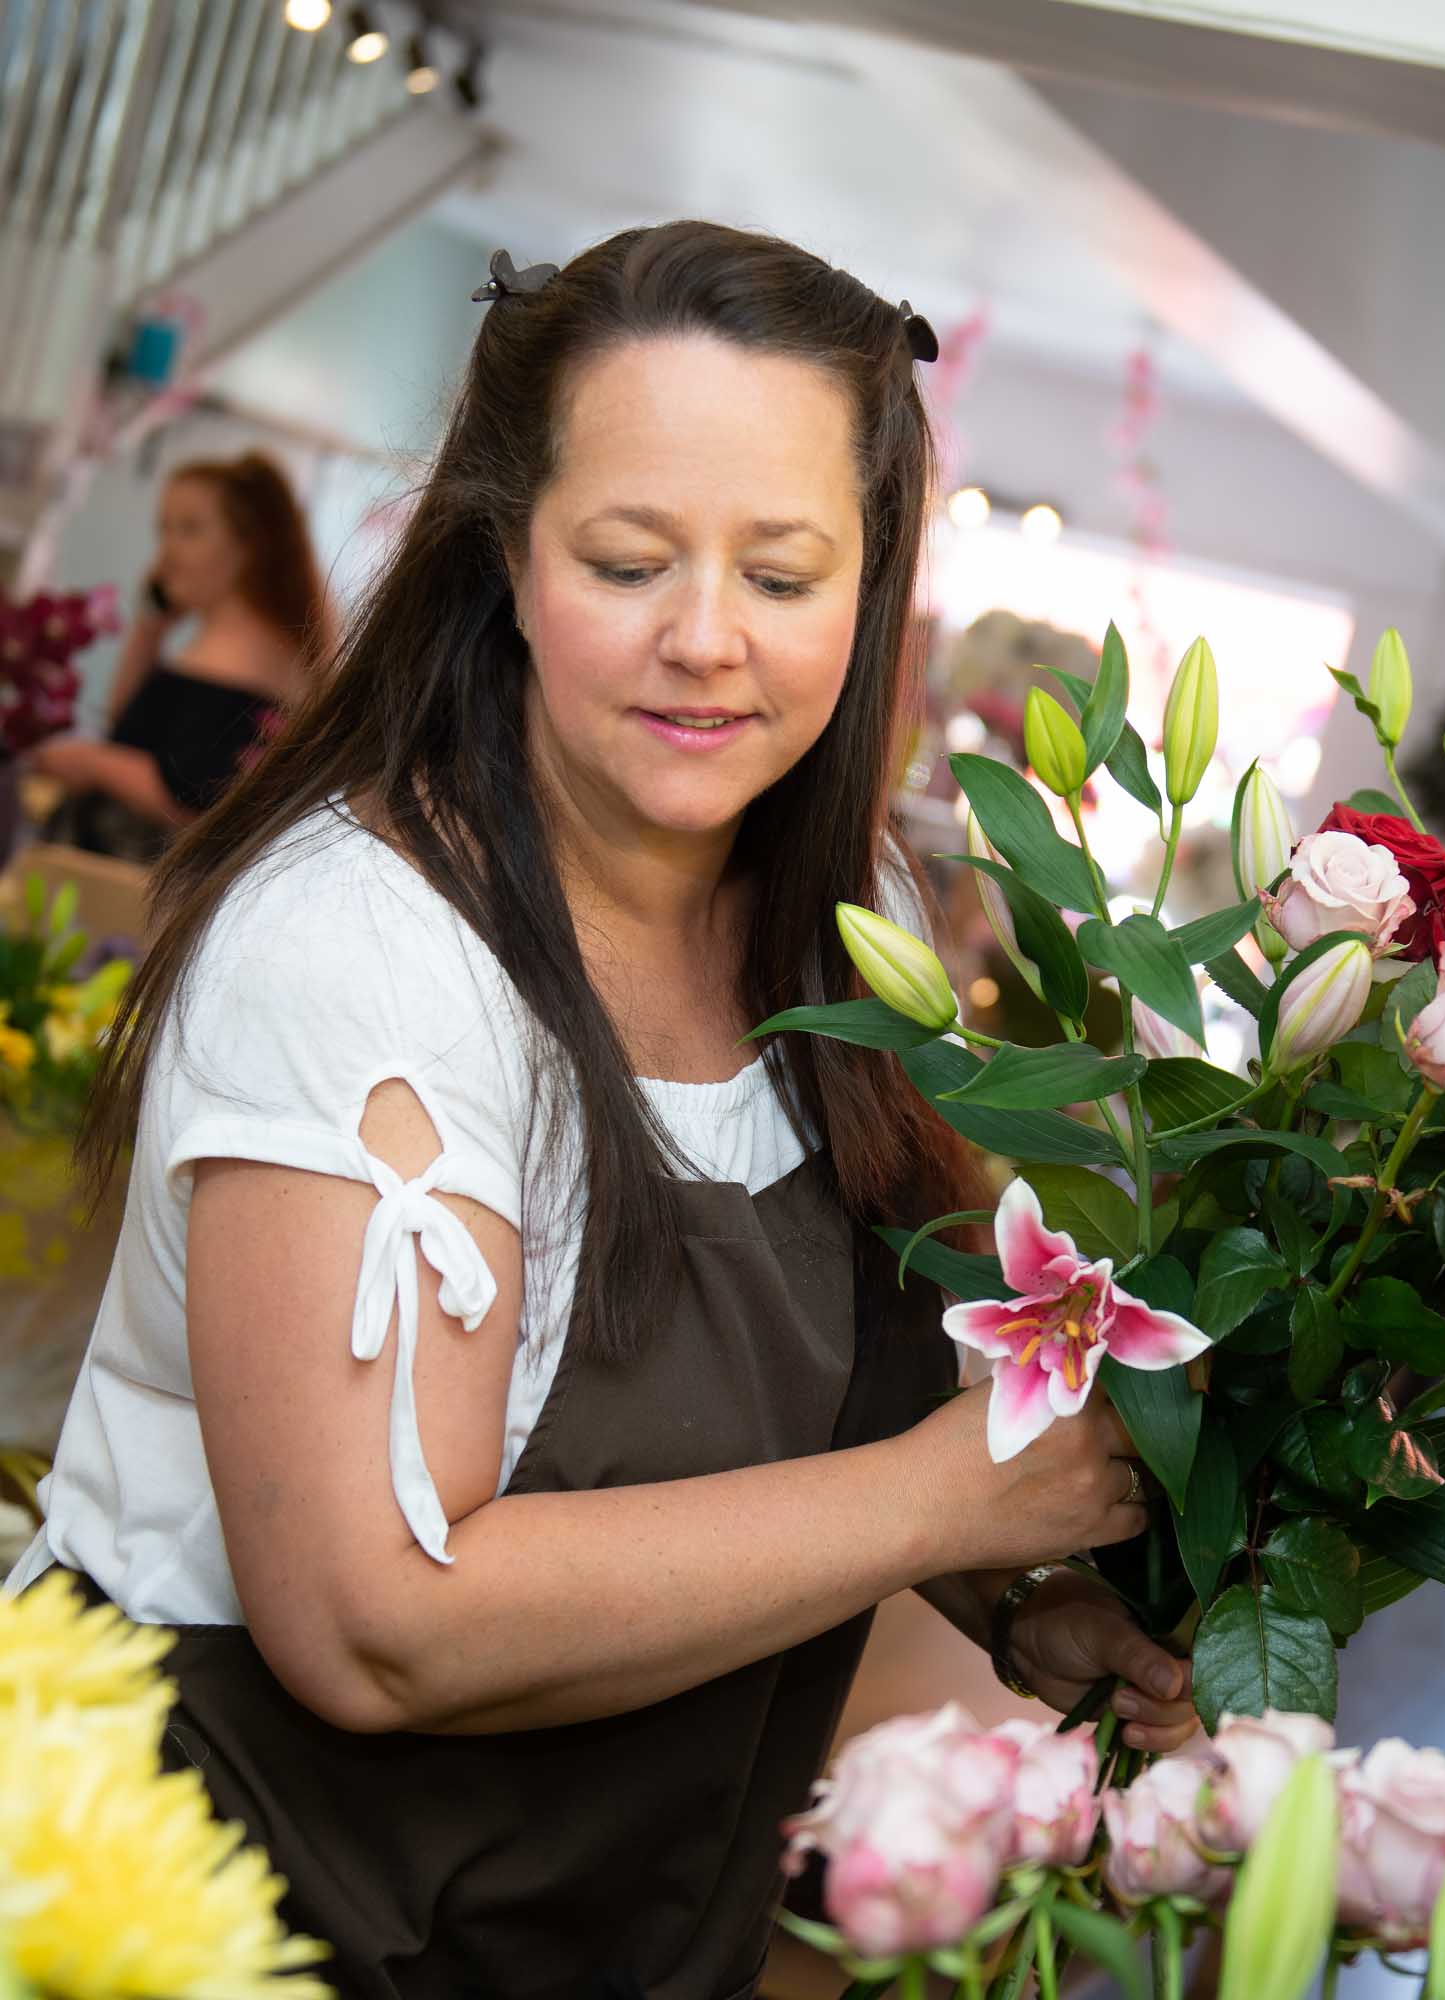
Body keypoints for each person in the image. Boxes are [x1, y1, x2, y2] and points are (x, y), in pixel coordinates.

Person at [9, 224, 1197, 1999]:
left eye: (786, 577)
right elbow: (377, 1622)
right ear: (504, 550)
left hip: (621, 1930)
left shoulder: (838, 913)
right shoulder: (364, 953)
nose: (705, 641)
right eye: (629, 559)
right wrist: (942, 1507)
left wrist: (1025, 1602)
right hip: (233, 1917)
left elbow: (806, 1415)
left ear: (874, 591)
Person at [30, 451, 325, 860]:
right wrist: (150, 630)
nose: (166, 553)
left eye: (189, 530)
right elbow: (129, 729)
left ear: (249, 544)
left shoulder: (246, 658)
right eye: (164, 530)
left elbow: (191, 794)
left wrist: (90, 761)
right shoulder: (220, 649)